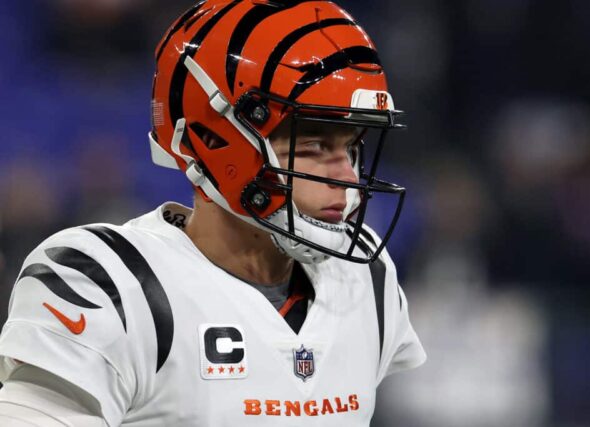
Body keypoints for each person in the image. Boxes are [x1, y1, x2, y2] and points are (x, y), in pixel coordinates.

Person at [0, 0, 425, 425]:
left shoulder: (365, 275)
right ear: (212, 139)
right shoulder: (107, 282)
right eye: (313, 147)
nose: (346, 175)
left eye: (351, 147)